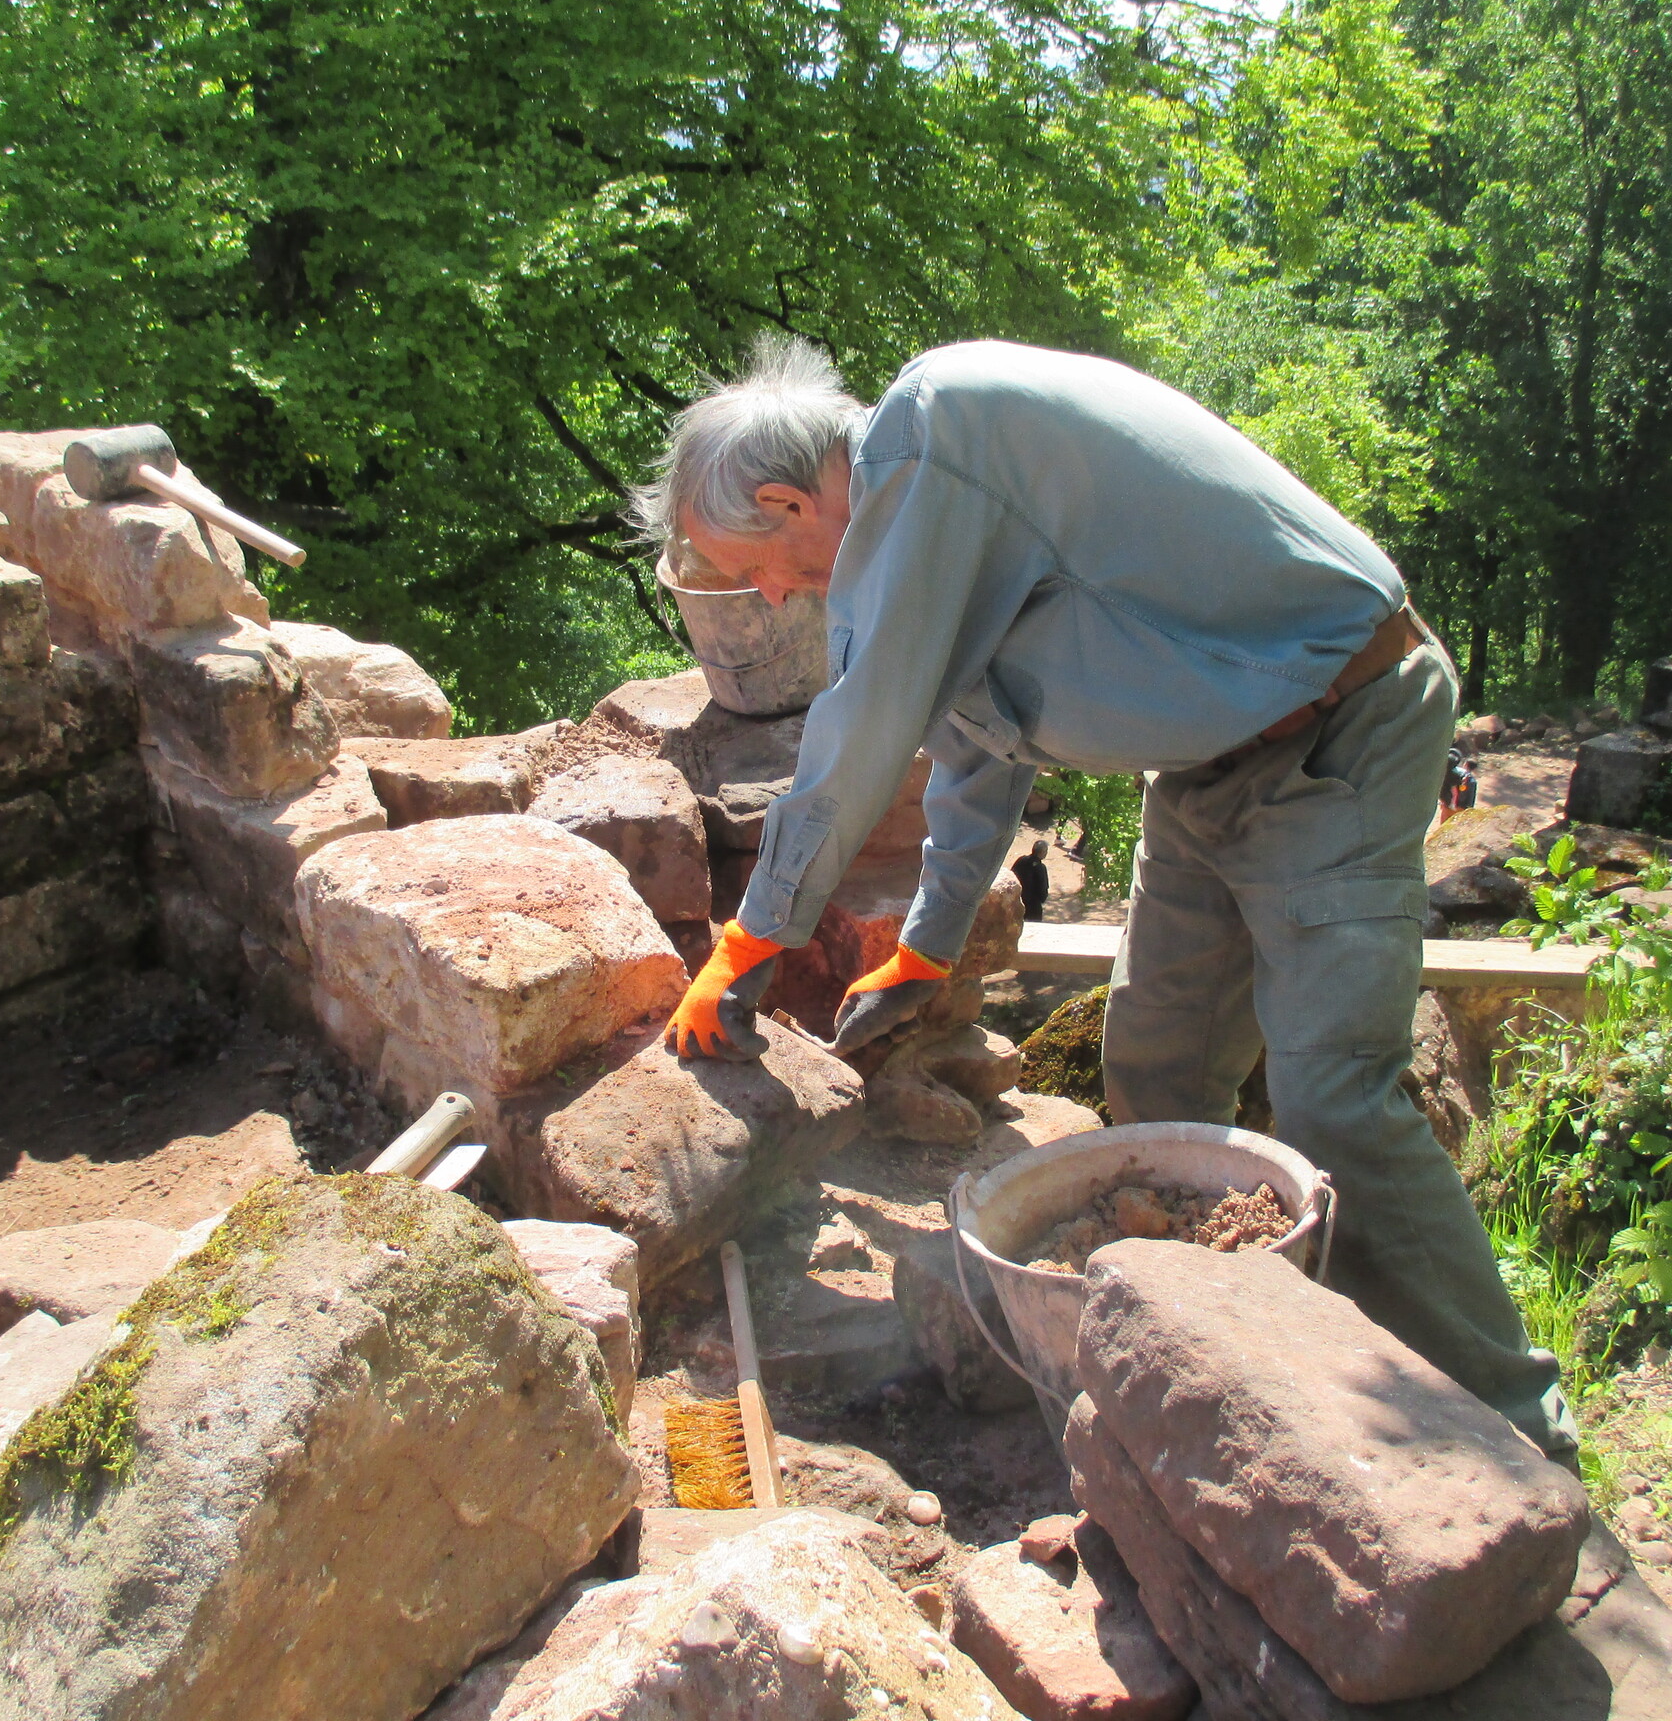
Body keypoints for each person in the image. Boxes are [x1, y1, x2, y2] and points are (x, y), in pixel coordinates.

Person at [633, 336, 1574, 1461]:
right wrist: (928, 945)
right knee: (1157, 1073)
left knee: (1335, 1097)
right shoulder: (921, 520)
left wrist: (751, 939)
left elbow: (866, 724)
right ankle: (1237, 1371)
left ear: (789, 501)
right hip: (1210, 766)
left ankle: (1521, 1431)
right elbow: (976, 742)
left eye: (754, 567)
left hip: (1342, 729)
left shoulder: (940, 435)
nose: (771, 594)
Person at [1011, 839, 1051, 921]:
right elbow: (1043, 888)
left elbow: (1011, 876)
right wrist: (1042, 898)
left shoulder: (1021, 860)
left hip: (1019, 900)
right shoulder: (1040, 868)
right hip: (1033, 905)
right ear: (1042, 852)